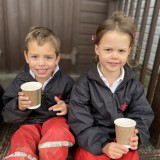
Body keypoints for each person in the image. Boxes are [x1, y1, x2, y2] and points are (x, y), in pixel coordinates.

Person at [68, 12, 154, 160]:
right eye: (108, 50)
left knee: (131, 156)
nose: (114, 56)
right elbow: (80, 122)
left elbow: (142, 115)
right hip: (93, 143)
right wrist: (103, 145)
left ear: (129, 52)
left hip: (122, 142)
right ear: (97, 49)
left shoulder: (133, 85)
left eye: (121, 51)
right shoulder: (84, 84)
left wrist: (137, 137)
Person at [2, 26, 75, 160]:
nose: (41, 63)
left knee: (58, 132)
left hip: (55, 120)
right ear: (26, 56)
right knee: (22, 141)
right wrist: (18, 106)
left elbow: (79, 104)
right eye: (35, 57)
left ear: (57, 58)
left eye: (48, 57)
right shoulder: (20, 81)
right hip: (28, 123)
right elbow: (6, 114)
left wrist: (67, 107)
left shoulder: (66, 82)